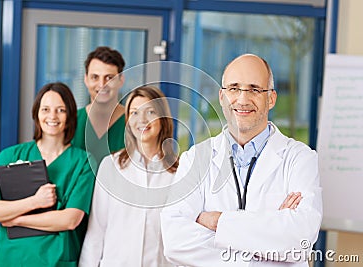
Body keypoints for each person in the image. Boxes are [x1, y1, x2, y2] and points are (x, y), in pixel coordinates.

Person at [160, 54, 322, 266]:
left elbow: (299, 241)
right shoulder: (196, 159)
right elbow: (175, 242)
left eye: (254, 89)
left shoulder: (300, 159)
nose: (243, 99)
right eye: (234, 88)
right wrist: (266, 243)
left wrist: (217, 221)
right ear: (221, 96)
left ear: (271, 98)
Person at [0, 82, 95, 266]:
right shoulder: (11, 155)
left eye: (61, 110)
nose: (52, 116)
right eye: (46, 109)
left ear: (70, 115)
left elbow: (70, 219)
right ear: (37, 113)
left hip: (55, 260)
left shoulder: (83, 162)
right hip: (12, 258)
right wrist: (35, 202)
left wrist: (16, 219)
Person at [79, 86, 179, 267]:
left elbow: (184, 235)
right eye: (134, 113)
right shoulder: (111, 166)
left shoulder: (179, 171)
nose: (142, 120)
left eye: (150, 112)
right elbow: (96, 231)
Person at [72, 46, 126, 166]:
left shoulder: (134, 123)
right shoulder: (71, 122)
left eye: (109, 78)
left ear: (121, 80)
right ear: (86, 80)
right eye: (95, 77)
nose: (102, 84)